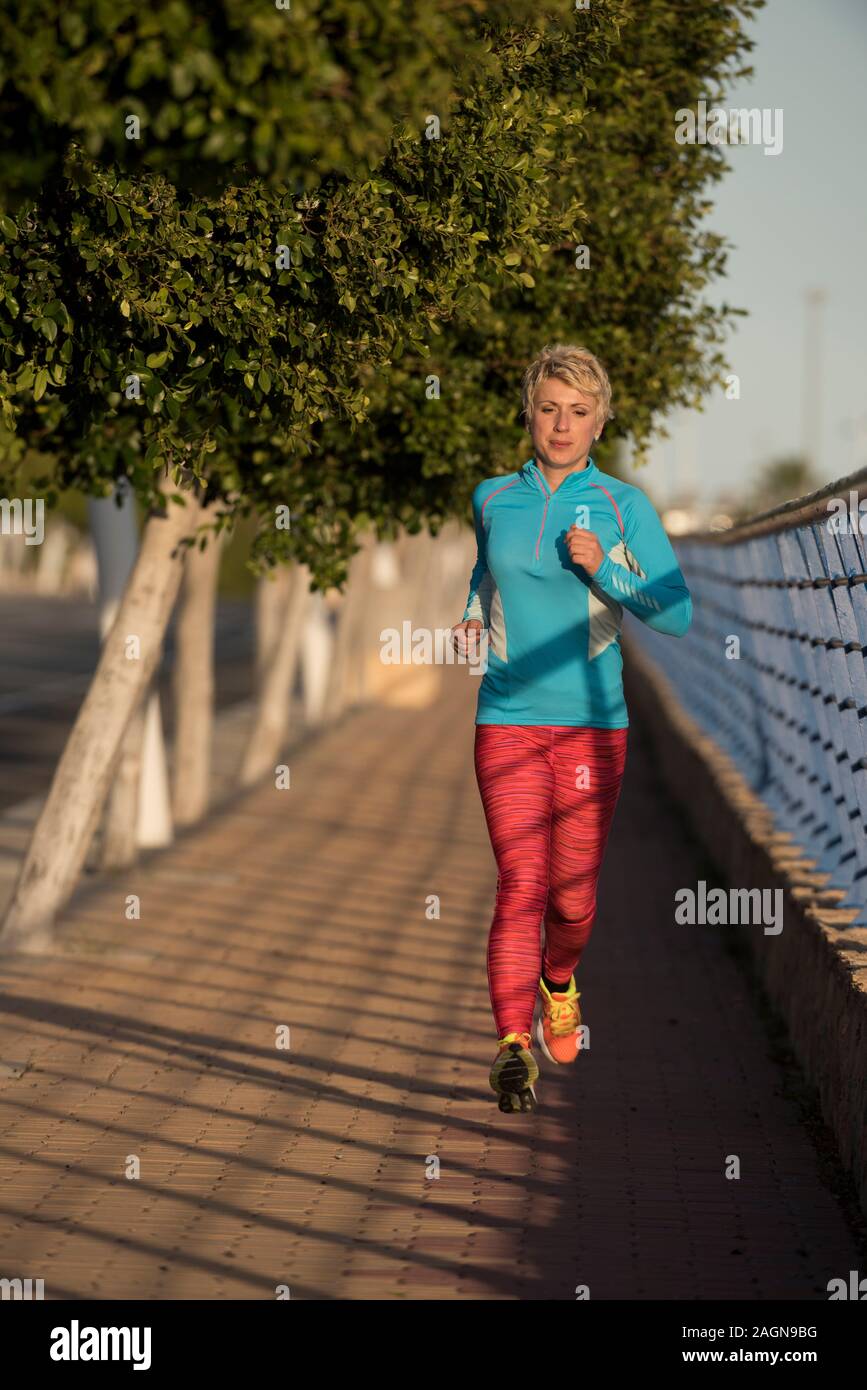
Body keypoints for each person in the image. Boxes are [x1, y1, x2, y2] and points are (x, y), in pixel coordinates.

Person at [451, 344, 693, 1113]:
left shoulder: (624, 506)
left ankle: (559, 983)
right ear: (528, 410)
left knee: (571, 898)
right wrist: (465, 615)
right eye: (549, 407)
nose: (561, 425)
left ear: (599, 422)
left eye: (578, 412)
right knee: (520, 883)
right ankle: (510, 1045)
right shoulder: (492, 496)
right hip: (506, 718)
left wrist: (606, 572)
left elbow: (678, 614)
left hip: (593, 728)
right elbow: (485, 571)